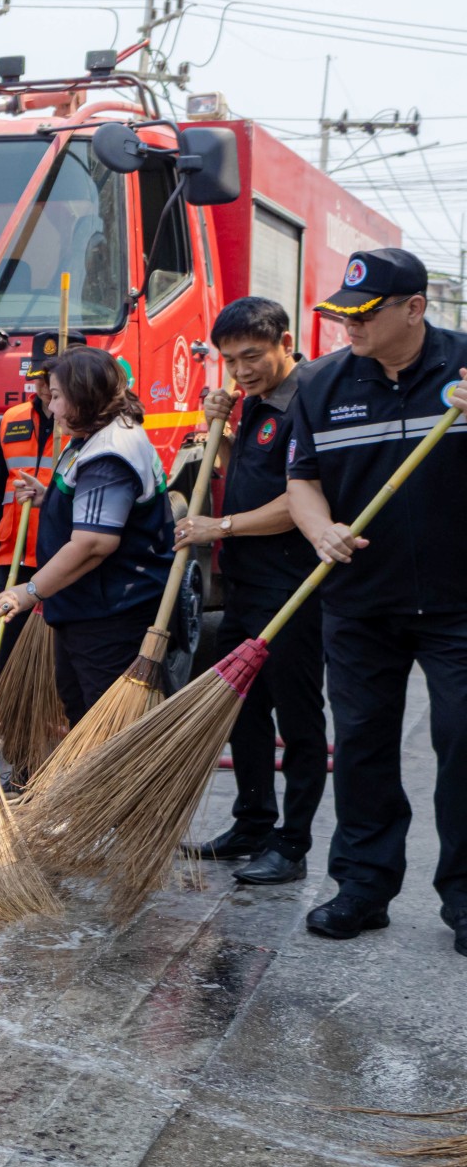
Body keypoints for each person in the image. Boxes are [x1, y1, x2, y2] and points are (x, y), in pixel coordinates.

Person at [284, 249, 467, 955]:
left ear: (415, 308)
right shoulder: (323, 382)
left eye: (365, 314)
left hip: (457, 600)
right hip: (359, 601)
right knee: (359, 743)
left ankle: (465, 895)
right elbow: (302, 479)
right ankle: (362, 885)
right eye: (343, 314)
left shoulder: (461, 367)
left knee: (463, 739)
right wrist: (320, 527)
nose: (348, 327)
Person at [175, 298, 325, 885]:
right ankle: (253, 822)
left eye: (253, 357)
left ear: (285, 342)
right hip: (245, 582)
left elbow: (298, 502)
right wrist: (226, 435)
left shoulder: (310, 399)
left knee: (299, 718)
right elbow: (255, 474)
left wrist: (222, 526)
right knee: (242, 705)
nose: (241, 371)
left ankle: (291, 845)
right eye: (231, 360)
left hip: (292, 586)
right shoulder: (257, 400)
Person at [0, 346, 174, 736]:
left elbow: (93, 543)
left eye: (56, 396)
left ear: (84, 396)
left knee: (107, 730)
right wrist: (51, 498)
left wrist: (30, 591)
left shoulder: (109, 452)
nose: (50, 407)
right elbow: (94, 508)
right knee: (82, 717)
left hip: (109, 615)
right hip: (90, 608)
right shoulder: (94, 435)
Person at [0, 335, 64, 680]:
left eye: (52, 380)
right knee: (9, 667)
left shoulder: (87, 424)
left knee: (61, 671)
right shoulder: (12, 420)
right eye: (39, 379)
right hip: (15, 560)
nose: (44, 389)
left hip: (67, 561)